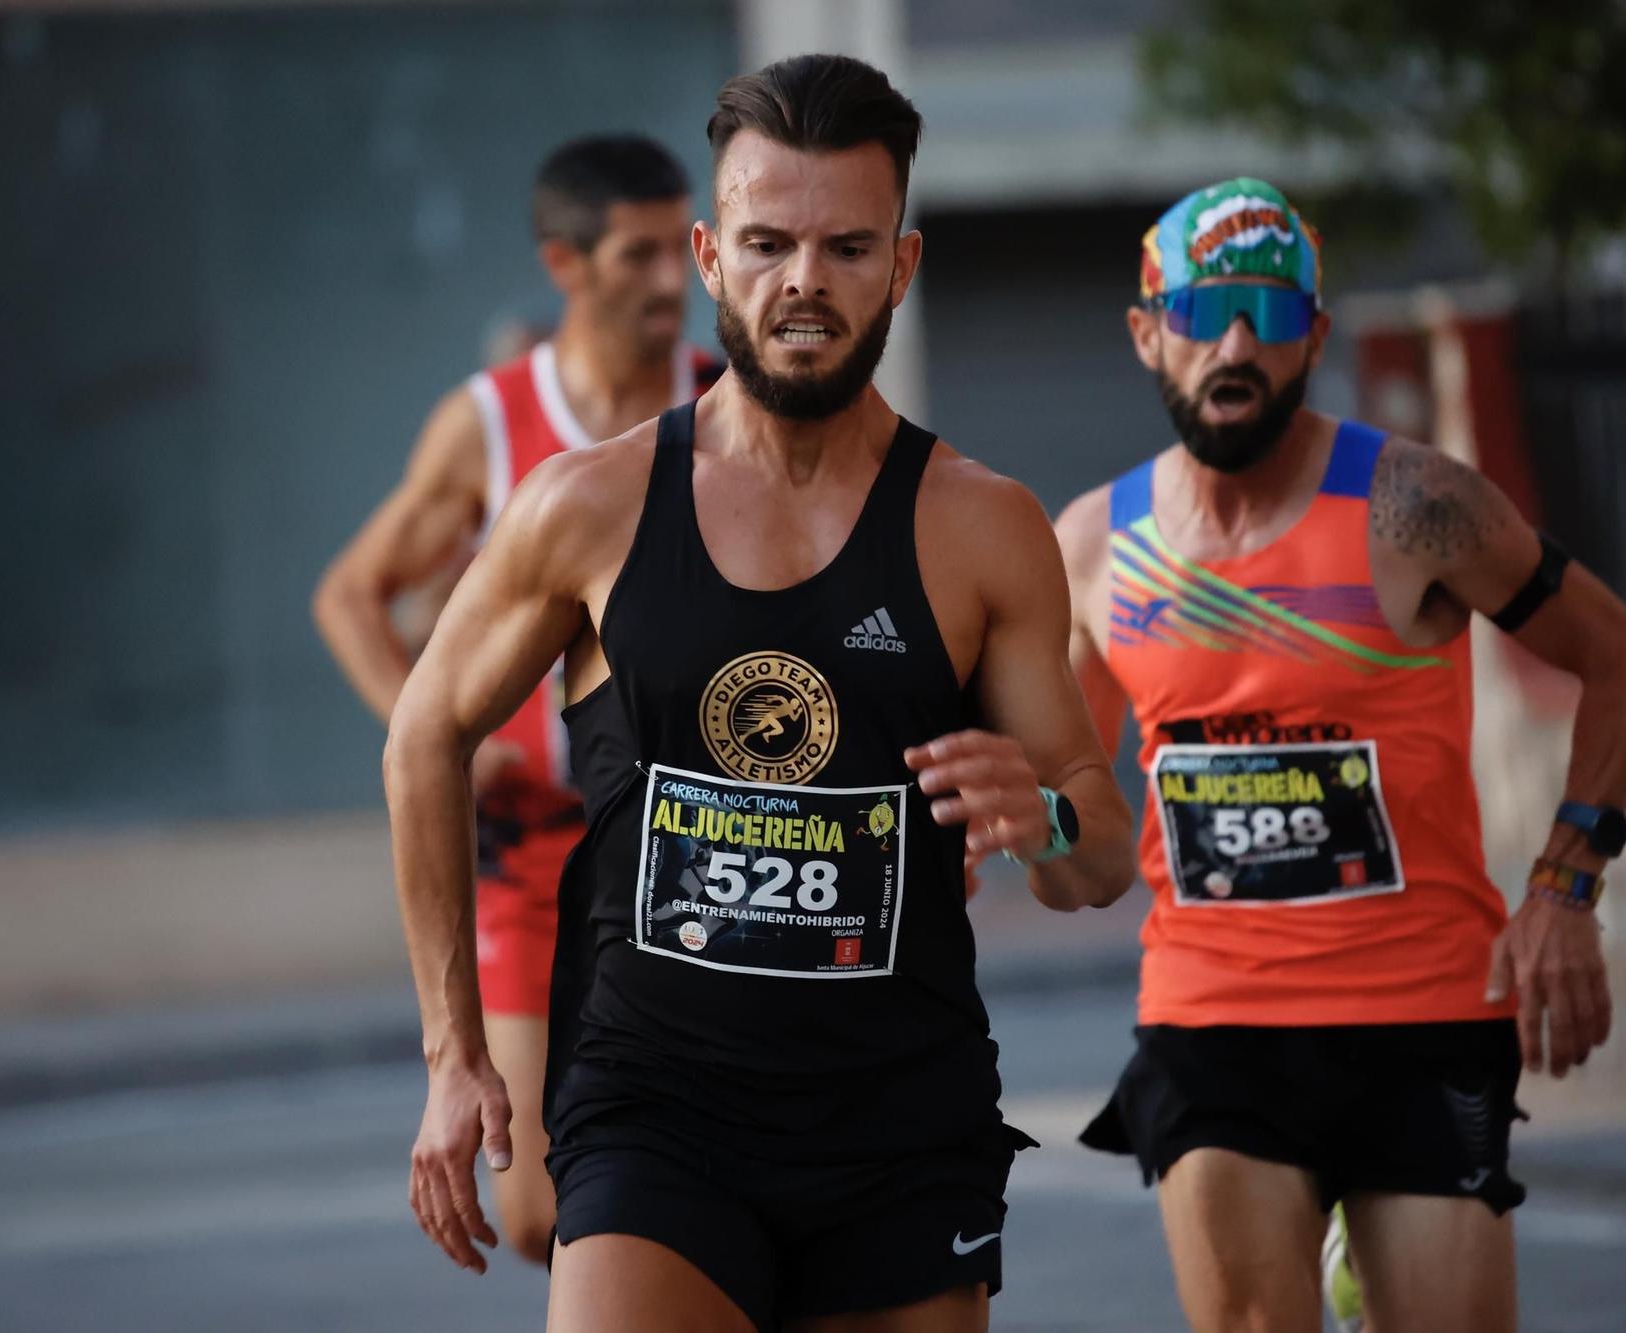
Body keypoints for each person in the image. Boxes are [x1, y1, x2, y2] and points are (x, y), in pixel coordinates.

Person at [383, 54, 1135, 1332]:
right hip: (653, 1107)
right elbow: (425, 735)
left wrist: (1047, 820)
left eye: (845, 246)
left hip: (900, 1121)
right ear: (709, 257)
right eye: (768, 241)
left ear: (898, 267)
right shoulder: (589, 505)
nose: (804, 281)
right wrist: (453, 1054)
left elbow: (1093, 854)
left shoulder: (982, 528)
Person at [1058, 177, 1626, 1333]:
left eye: (1272, 315)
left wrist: (1561, 888)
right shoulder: (1091, 549)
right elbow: (1078, 837)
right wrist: (1029, 826)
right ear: (1147, 333)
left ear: (1314, 339)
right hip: (1212, 1022)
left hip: (1423, 1013)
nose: (1235, 344)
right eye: (1202, 312)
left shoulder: (1412, 504)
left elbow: (1623, 660)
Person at [312, 134, 718, 1266]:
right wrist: (435, 729)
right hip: (531, 855)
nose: (666, 279)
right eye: (635, 253)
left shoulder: (727, 402)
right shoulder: (491, 421)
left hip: (688, 840)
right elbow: (352, 593)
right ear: (564, 263)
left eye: (674, 247)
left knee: (702, 1160)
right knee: (536, 1205)